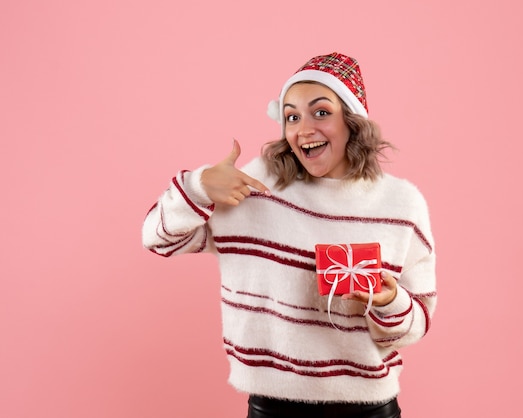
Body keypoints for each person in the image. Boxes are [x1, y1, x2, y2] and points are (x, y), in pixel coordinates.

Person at [142, 52, 436, 418]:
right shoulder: (257, 189)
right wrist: (198, 186)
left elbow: (416, 322)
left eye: (322, 112)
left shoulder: (401, 203)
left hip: (369, 409)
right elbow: (157, 238)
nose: (303, 128)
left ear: (352, 119)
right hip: (273, 407)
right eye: (291, 116)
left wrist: (389, 301)